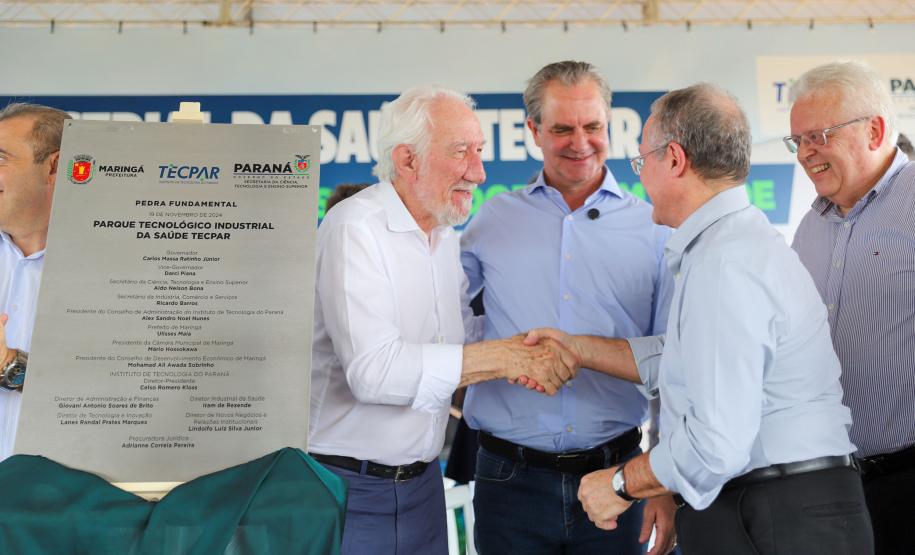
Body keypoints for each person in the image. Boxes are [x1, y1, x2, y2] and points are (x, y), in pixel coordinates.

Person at [526, 83, 873, 555]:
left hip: (775, 514)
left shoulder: (723, 265)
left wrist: (621, 483)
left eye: (641, 160)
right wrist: (581, 349)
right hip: (781, 506)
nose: (640, 176)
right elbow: (690, 356)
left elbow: (716, 443)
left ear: (674, 159)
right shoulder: (730, 246)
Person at [308, 86, 578, 555]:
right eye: (461, 153)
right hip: (346, 490)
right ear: (407, 160)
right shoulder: (354, 228)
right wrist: (502, 357)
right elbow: (374, 372)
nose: (479, 172)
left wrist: (535, 348)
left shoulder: (443, 237)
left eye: (479, 152)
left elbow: (461, 339)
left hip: (423, 489)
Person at [460, 60, 676, 555]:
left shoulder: (654, 226)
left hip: (619, 477)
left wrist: (662, 481)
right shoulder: (492, 221)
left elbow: (675, 361)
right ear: (533, 130)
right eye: (561, 128)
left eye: (593, 126)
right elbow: (441, 319)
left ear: (610, 124)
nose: (580, 142)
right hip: (507, 481)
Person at [788, 61, 915, 555]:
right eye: (797, 141)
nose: (805, 154)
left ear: (876, 130)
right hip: (829, 488)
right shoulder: (810, 226)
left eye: (818, 135)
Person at [0, 103, 69, 460]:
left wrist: (9, 365)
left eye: (0, 158)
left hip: (59, 506)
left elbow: (123, 396)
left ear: (54, 166)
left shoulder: (122, 270)